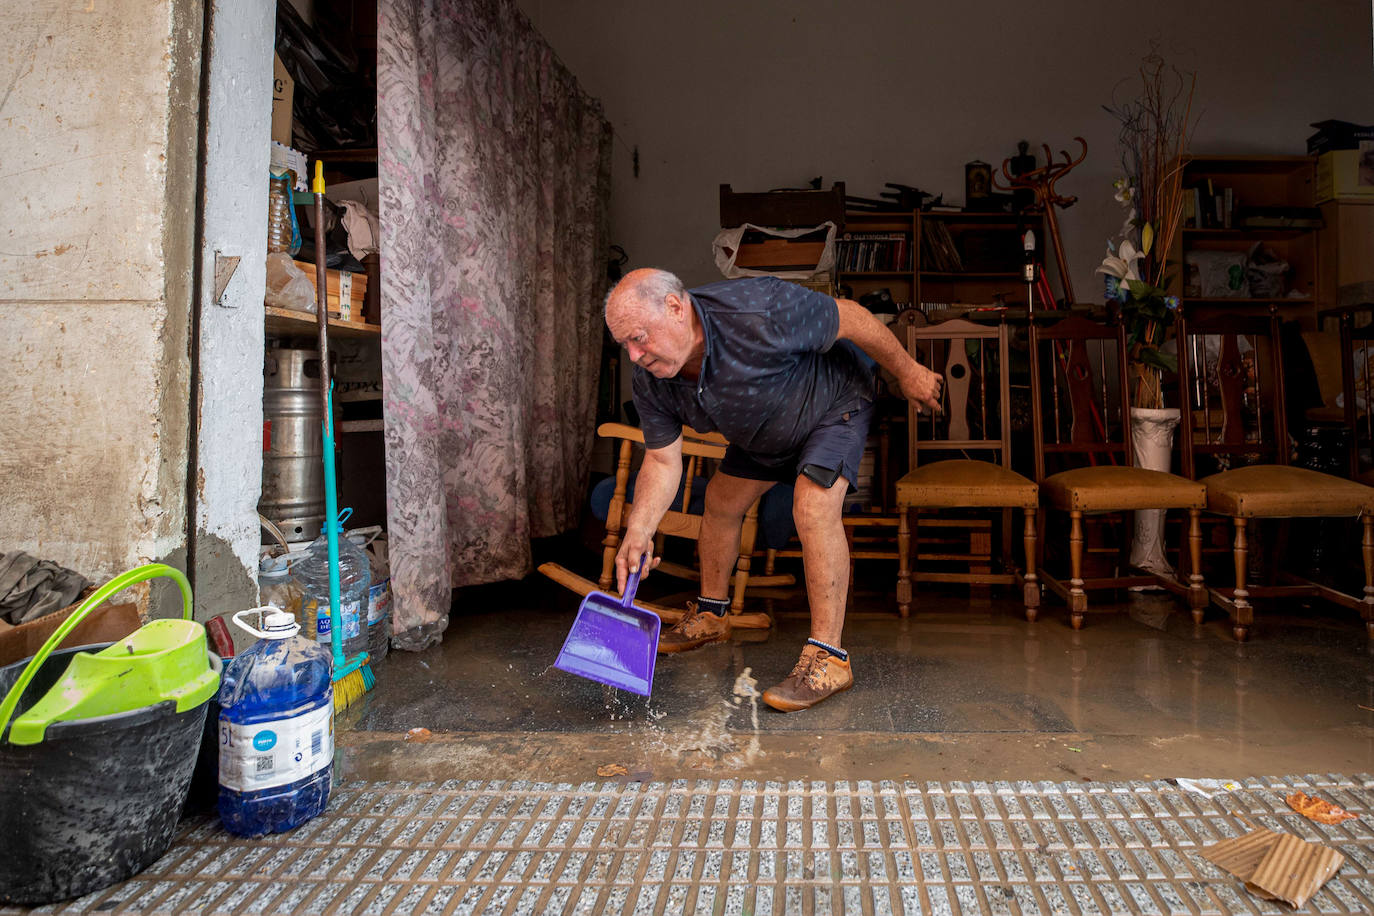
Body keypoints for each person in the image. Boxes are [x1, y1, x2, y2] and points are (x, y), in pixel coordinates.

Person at [603, 268, 943, 711]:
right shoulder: (652, 378)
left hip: (832, 404)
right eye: (624, 344)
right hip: (765, 431)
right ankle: (711, 614)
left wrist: (909, 371)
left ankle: (829, 659)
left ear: (674, 306)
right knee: (721, 502)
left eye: (639, 337)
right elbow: (664, 459)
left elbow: (853, 317)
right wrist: (638, 531)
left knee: (813, 505)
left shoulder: (758, 309)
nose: (634, 354)